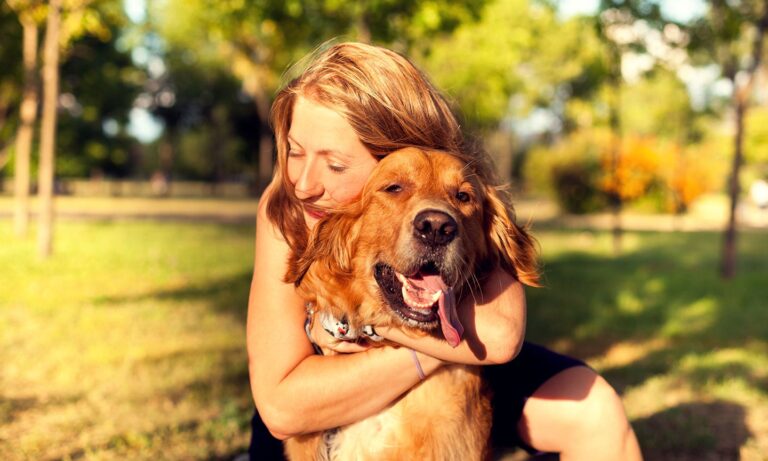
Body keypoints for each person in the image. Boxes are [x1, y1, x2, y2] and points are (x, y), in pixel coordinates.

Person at [247, 41, 642, 460]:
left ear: (392, 150)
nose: (304, 184)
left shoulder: (458, 189)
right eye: (295, 151)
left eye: (336, 164)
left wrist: (359, 324)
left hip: (459, 358)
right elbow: (281, 408)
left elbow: (500, 336)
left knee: (594, 409)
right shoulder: (287, 205)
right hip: (319, 389)